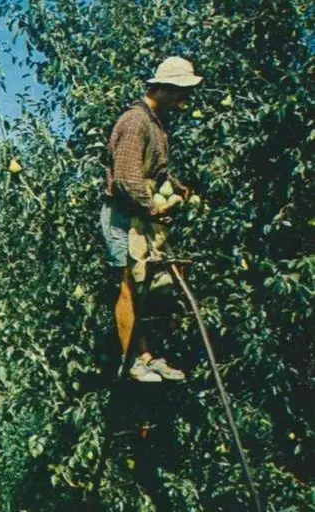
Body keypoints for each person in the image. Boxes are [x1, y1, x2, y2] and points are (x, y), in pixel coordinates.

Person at [100, 56, 202, 383]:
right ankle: (132, 361)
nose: (182, 100)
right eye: (178, 92)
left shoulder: (156, 124)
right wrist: (155, 208)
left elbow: (156, 173)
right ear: (162, 88)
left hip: (141, 217)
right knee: (130, 286)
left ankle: (146, 356)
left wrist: (180, 191)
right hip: (124, 215)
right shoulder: (135, 122)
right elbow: (128, 179)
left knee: (151, 287)